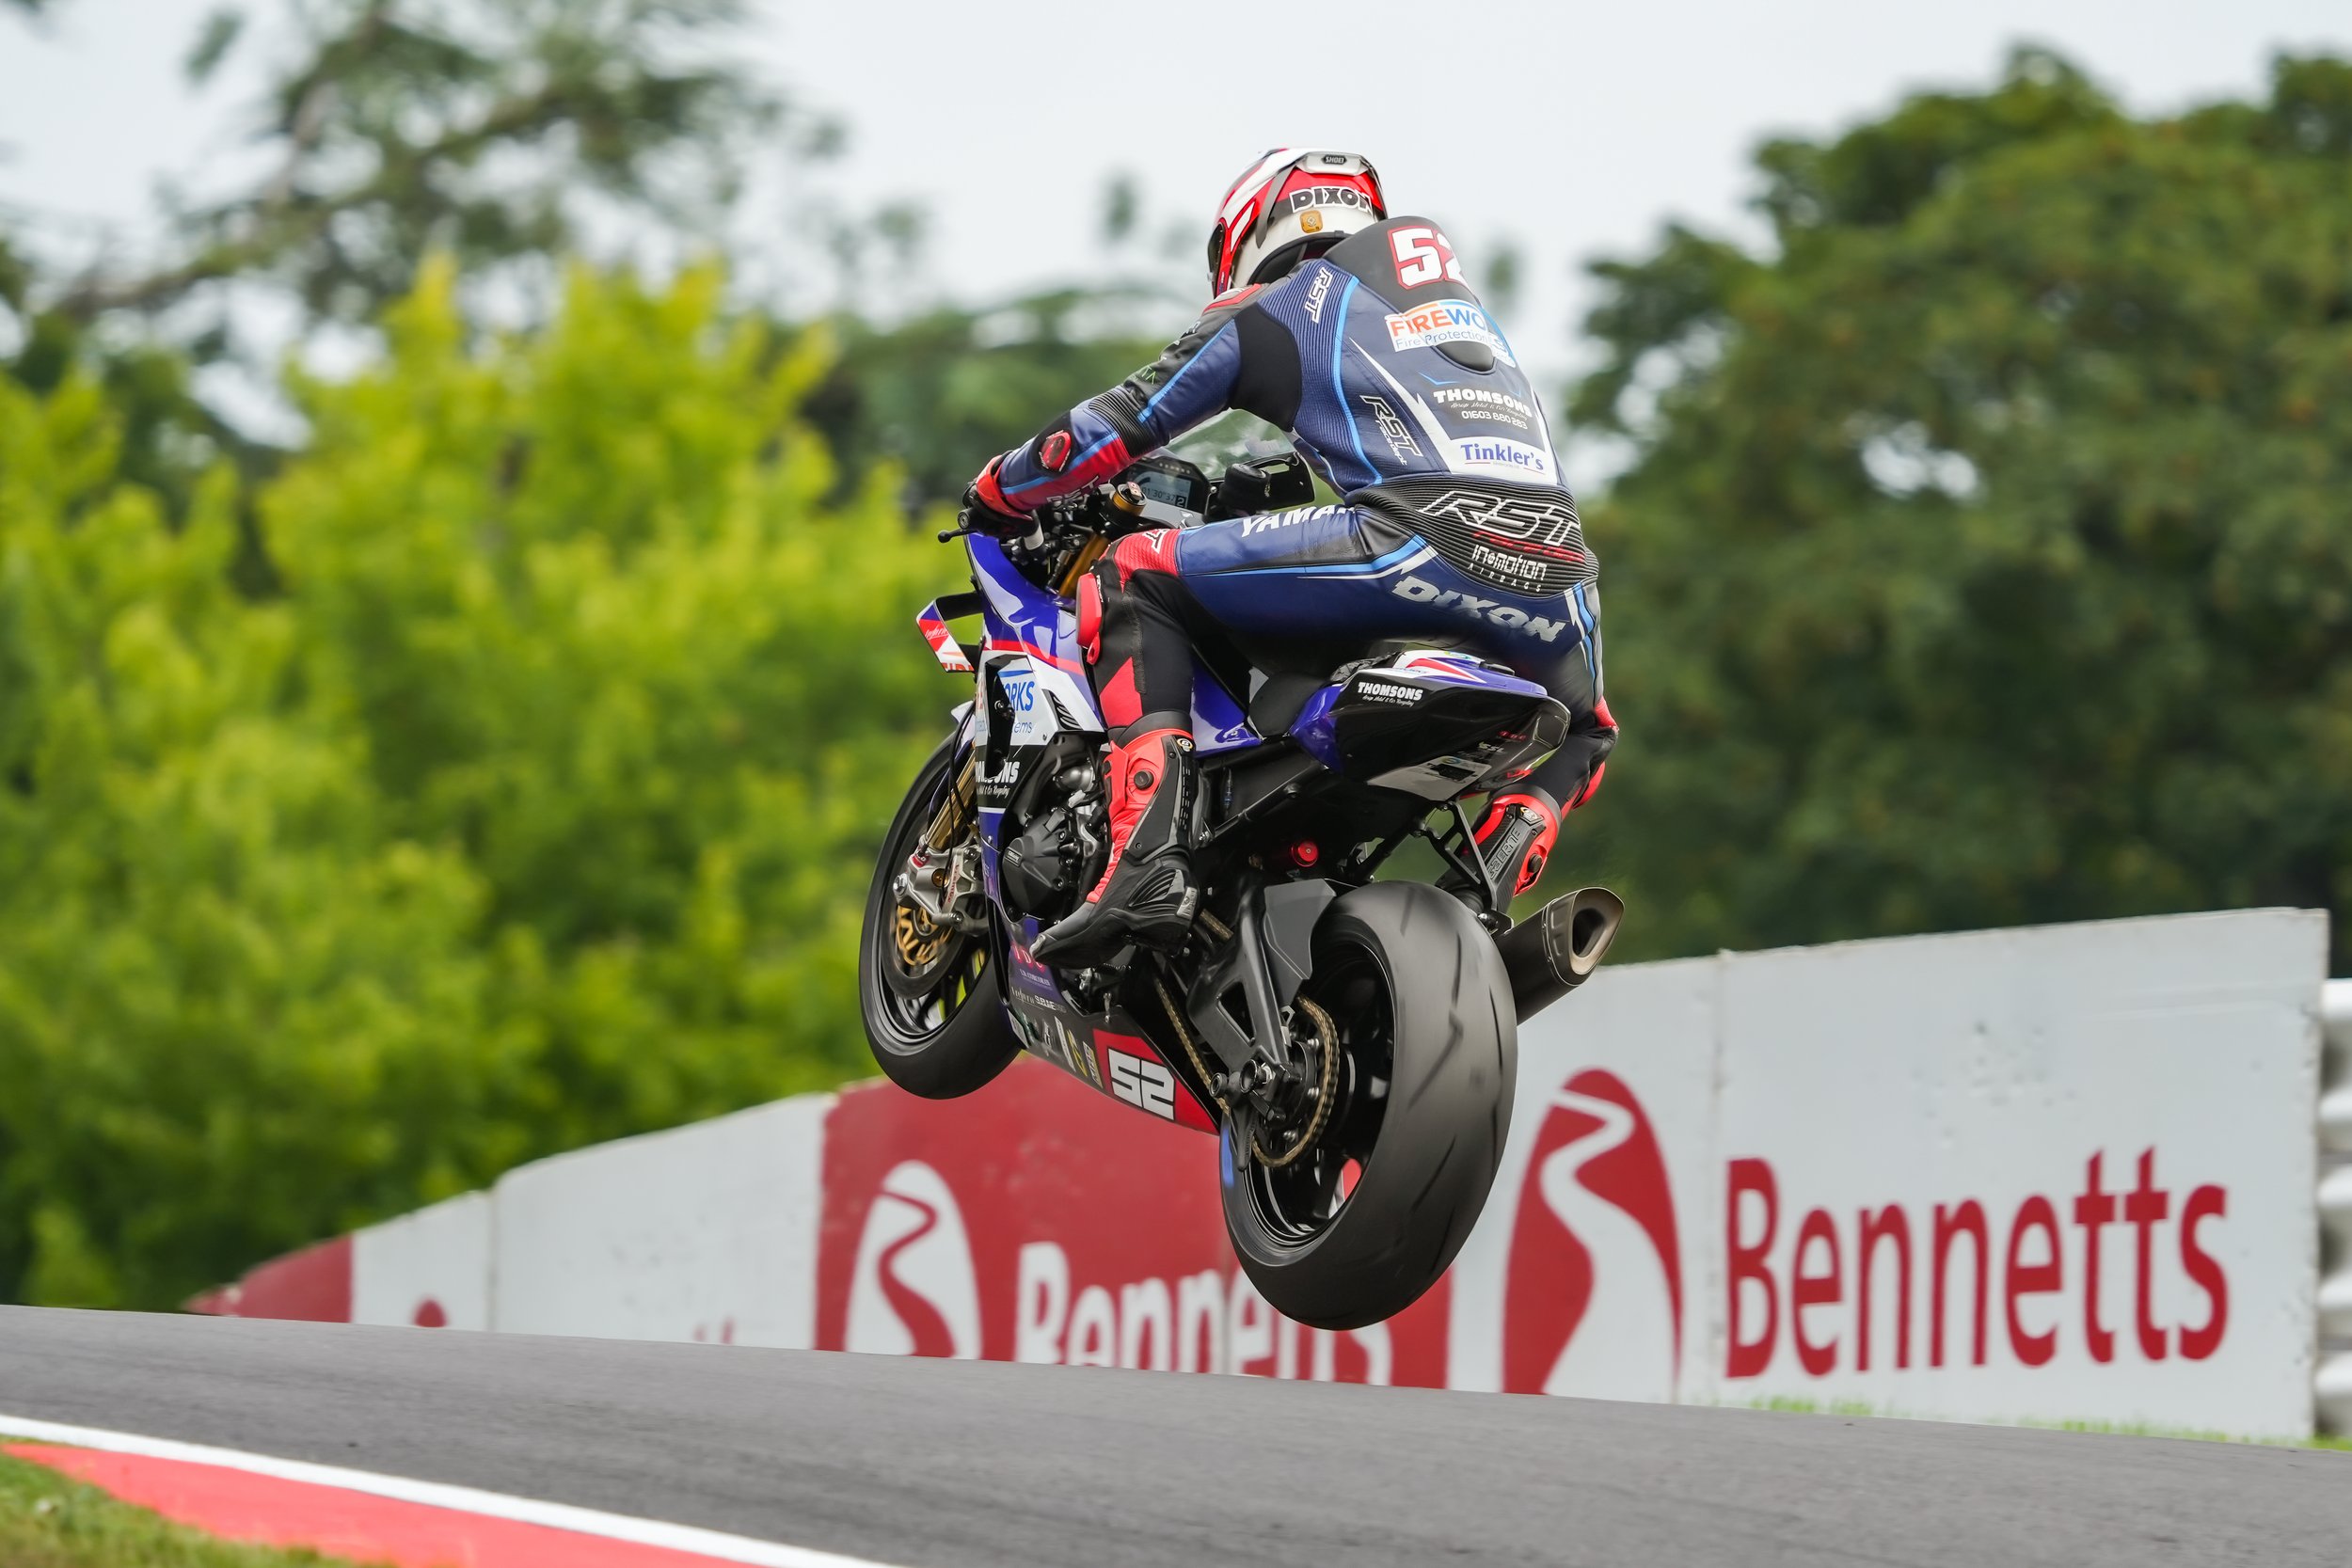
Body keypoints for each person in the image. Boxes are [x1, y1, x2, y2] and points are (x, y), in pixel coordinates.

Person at [962, 149, 1618, 966]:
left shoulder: (1287, 302)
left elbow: (1117, 427)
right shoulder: (1469, 326)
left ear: (1255, 230)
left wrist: (1001, 487)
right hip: (1563, 602)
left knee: (1135, 573)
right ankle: (1500, 865)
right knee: (1589, 729)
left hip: (1413, 546)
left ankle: (1147, 859)